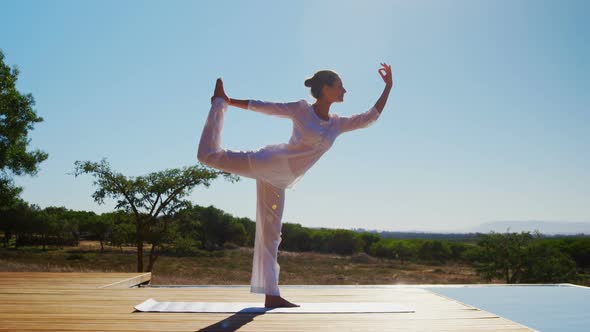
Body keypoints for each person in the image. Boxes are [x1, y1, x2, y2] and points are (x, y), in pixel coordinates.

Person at [197, 63, 393, 307]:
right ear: (326, 88)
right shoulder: (301, 110)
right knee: (208, 156)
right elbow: (267, 107)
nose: (345, 90)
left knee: (272, 236)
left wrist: (388, 87)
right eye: (340, 86)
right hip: (269, 163)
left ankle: (271, 295)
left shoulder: (337, 124)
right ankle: (218, 104)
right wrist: (228, 101)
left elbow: (369, 117)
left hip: (281, 179)